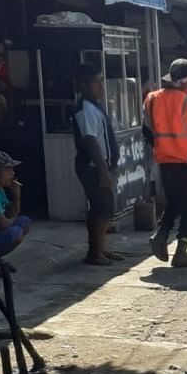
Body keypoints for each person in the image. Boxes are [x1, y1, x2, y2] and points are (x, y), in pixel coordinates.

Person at [143, 58, 187, 268]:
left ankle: (161, 235)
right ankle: (182, 251)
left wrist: (161, 146)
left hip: (165, 162)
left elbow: (147, 129)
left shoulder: (151, 99)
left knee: (174, 202)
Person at [72, 63, 122, 266]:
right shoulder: (85, 110)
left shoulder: (95, 107)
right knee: (101, 209)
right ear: (83, 85)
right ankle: (94, 253)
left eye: (101, 81)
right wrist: (103, 171)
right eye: (95, 82)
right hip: (93, 167)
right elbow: (91, 141)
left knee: (106, 209)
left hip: (101, 167)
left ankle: (101, 248)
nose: (100, 86)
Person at [0, 151, 31, 276]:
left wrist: (17, 197)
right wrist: (13, 218)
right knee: (14, 233)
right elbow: (4, 223)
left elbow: (10, 213)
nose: (12, 173)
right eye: (7, 169)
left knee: (24, 221)